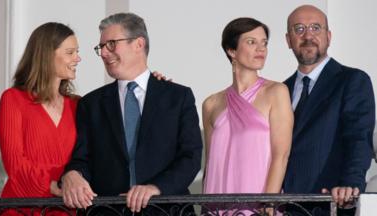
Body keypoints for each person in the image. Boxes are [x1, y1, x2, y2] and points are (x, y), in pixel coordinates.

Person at [60, 12, 203, 215]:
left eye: (111, 44)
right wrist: (72, 173)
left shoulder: (178, 97)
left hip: (167, 211)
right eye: (101, 47)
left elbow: (191, 157)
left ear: (138, 44)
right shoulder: (90, 104)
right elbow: (82, 158)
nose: (104, 53)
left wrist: (155, 188)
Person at [283, 5, 375, 215]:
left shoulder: (352, 80)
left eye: (316, 28)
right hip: (284, 205)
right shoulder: (280, 90)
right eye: (299, 29)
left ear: (329, 36)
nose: (308, 36)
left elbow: (358, 137)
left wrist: (351, 185)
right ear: (288, 40)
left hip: (329, 203)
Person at [202, 17, 293, 214]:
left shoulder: (276, 92)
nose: (261, 49)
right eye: (251, 42)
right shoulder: (211, 104)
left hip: (258, 207)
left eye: (264, 43)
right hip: (217, 205)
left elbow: (281, 155)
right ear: (231, 50)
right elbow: (210, 165)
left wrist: (268, 205)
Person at [0, 22, 81, 215]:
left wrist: (153, 87)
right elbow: (15, 166)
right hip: (22, 208)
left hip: (67, 209)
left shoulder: (78, 105)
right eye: (70, 52)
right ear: (47, 55)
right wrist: (54, 187)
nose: (78, 58)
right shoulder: (13, 99)